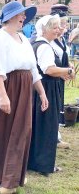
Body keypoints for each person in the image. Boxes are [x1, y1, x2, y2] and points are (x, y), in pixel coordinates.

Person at [0, 1, 48, 194]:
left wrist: (41, 92)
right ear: (11, 17)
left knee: (21, 131)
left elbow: (33, 69)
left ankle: (10, 175)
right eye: (20, 15)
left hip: (24, 90)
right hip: (6, 88)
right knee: (3, 132)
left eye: (24, 15)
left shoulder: (23, 38)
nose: (23, 18)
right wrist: (3, 96)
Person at [28, 15, 74, 177]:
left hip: (42, 87)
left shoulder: (38, 43)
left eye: (57, 27)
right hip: (46, 88)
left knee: (39, 126)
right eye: (53, 27)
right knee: (47, 127)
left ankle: (35, 161)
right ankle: (43, 164)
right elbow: (49, 69)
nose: (57, 30)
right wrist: (67, 71)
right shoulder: (44, 46)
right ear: (44, 29)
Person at [49, 4, 71, 148]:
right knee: (53, 107)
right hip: (53, 77)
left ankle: (56, 136)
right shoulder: (50, 41)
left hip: (60, 77)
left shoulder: (61, 40)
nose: (63, 27)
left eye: (64, 24)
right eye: (60, 24)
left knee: (58, 106)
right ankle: (54, 137)